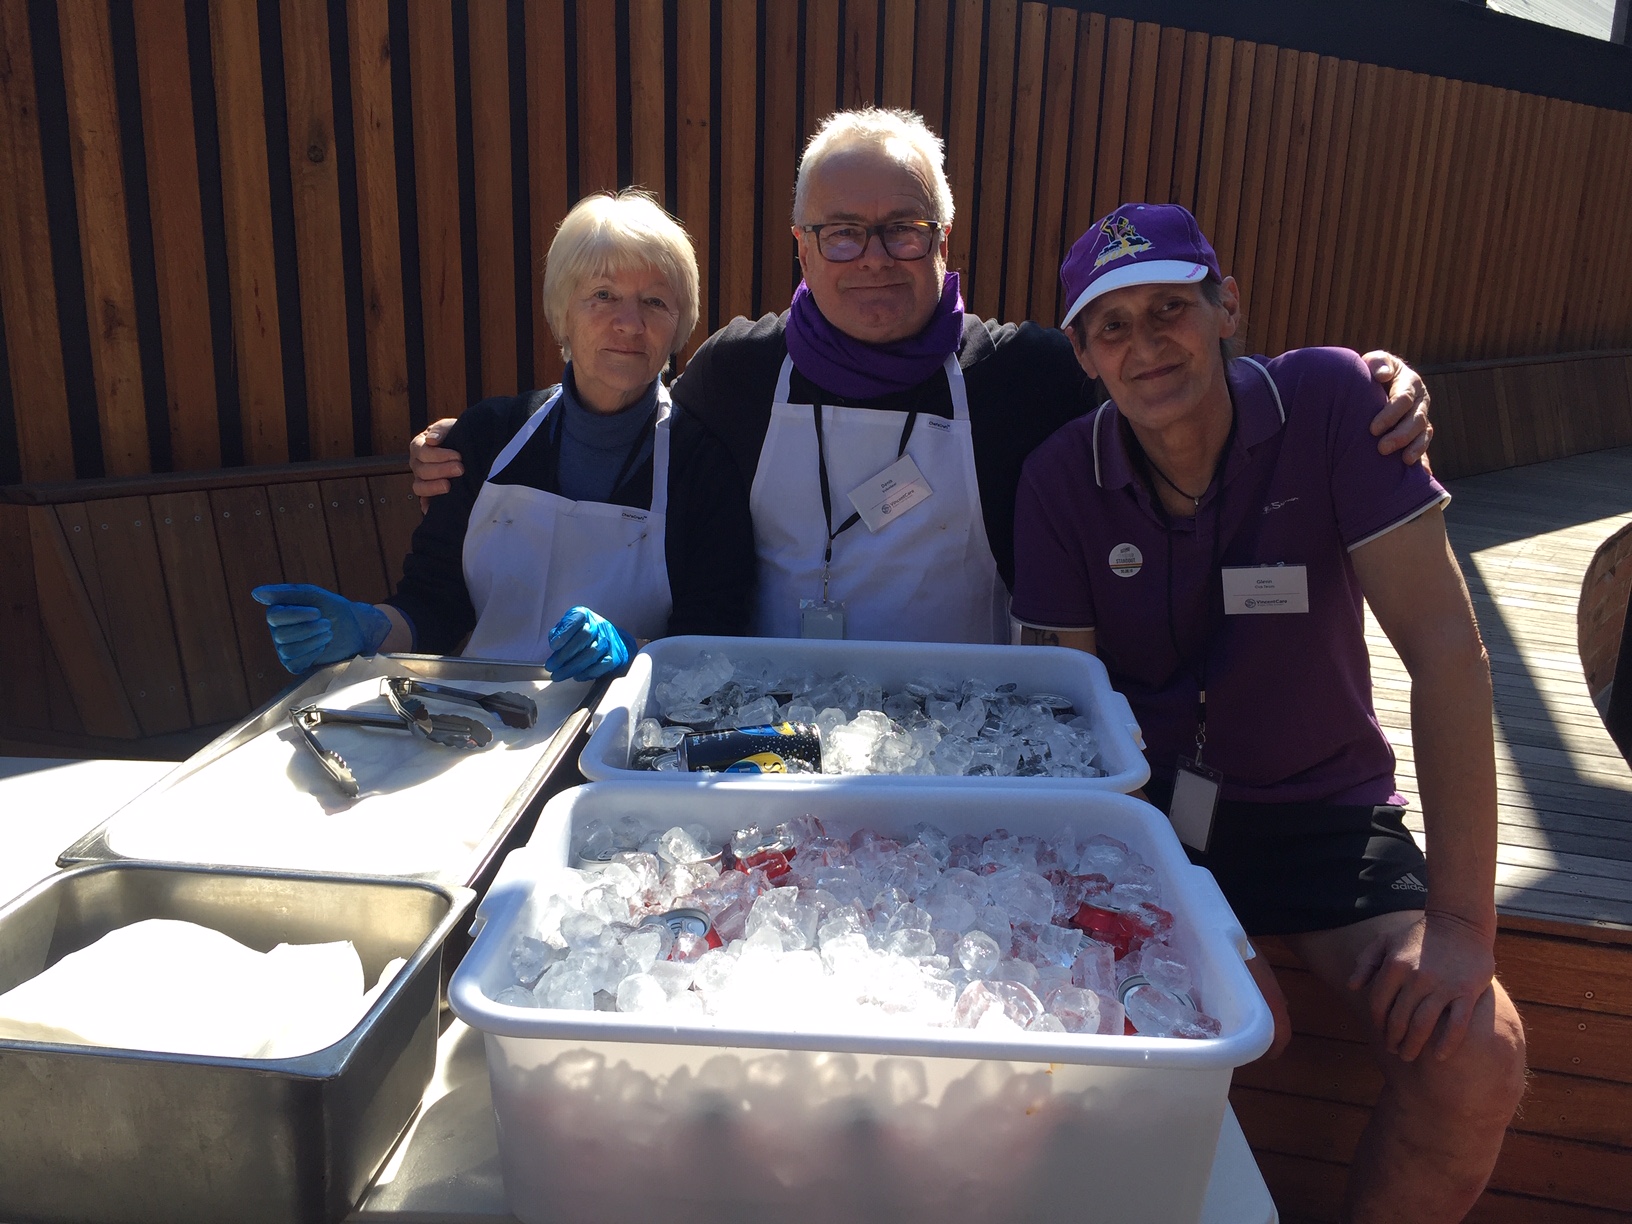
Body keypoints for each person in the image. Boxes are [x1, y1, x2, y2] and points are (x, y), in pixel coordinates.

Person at [410, 107, 1433, 643]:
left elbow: (1170, 393)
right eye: (843, 235)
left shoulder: (1026, 374)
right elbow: (613, 413)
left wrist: (1369, 386)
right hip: (760, 733)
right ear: (801, 248)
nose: (875, 259)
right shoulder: (734, 371)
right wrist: (467, 445)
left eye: (903, 230)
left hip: (962, 731)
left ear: (945, 238)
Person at [1011, 203, 1526, 1222]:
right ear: (1082, 353)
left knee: (1479, 1055)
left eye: (1171, 309)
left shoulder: (1336, 401)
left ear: (1226, 305)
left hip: (1325, 806)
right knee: (1247, 1029)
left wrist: (1464, 928)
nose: (1147, 344)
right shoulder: (1061, 479)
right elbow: (1062, 727)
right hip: (1154, 822)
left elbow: (1450, 659)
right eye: (1112, 326)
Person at [254, 189, 699, 680]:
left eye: (655, 301)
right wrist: (366, 628)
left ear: (678, 325)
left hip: (624, 734)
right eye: (603, 295)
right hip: (481, 724)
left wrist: (633, 653)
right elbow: (432, 605)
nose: (629, 323)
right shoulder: (488, 437)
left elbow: (712, 635)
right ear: (563, 314)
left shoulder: (700, 462)